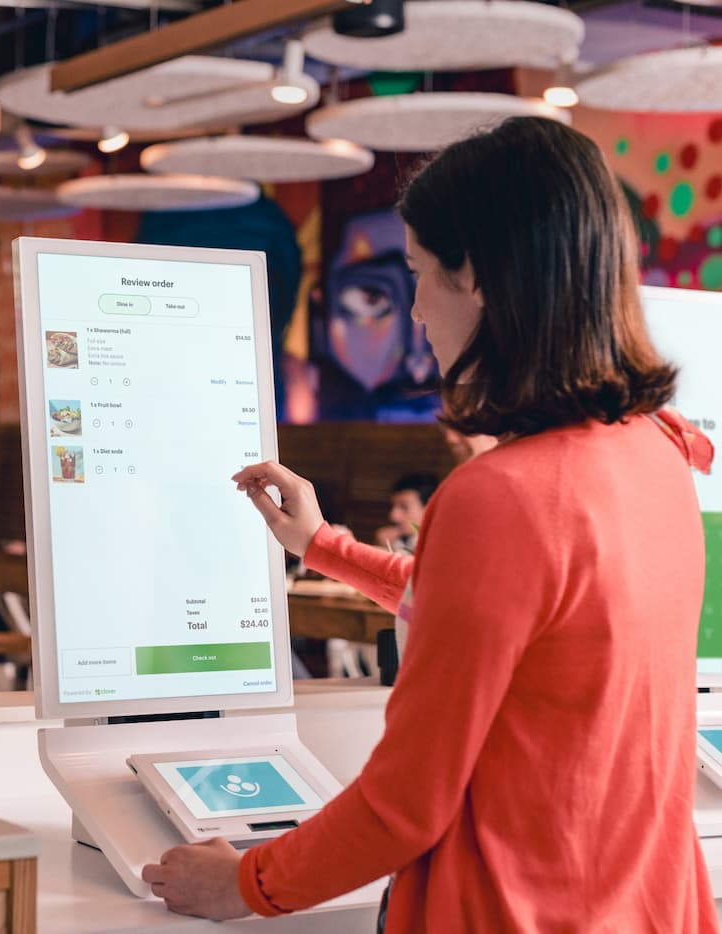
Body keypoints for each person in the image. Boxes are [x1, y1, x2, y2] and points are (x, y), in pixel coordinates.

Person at [142, 116, 718, 930]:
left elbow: (404, 803)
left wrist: (242, 884)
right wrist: (322, 547)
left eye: (418, 272)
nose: (414, 309)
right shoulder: (659, 451)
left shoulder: (502, 496)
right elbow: (528, 624)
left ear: (476, 273)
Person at [371, 472, 439, 554]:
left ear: (429, 510)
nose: (393, 516)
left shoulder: (441, 546)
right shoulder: (396, 541)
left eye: (404, 507)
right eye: (393, 506)